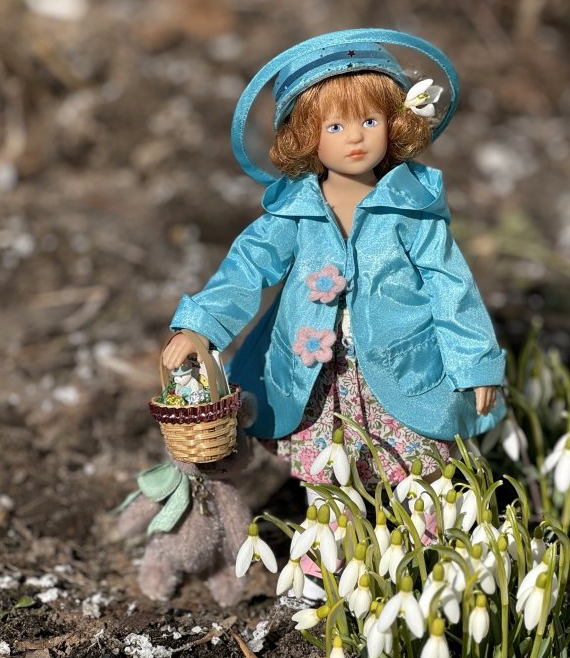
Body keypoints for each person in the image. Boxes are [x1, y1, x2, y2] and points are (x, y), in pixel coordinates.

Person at [161, 29, 506, 489]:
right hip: (317, 376)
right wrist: (200, 326)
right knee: (327, 471)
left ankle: (423, 546)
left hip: (402, 365)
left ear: (395, 121)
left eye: (370, 121)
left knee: (418, 476)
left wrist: (475, 363)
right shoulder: (296, 212)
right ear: (307, 137)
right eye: (335, 127)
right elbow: (246, 267)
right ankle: (331, 552)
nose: (356, 139)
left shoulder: (411, 209)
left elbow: (452, 288)